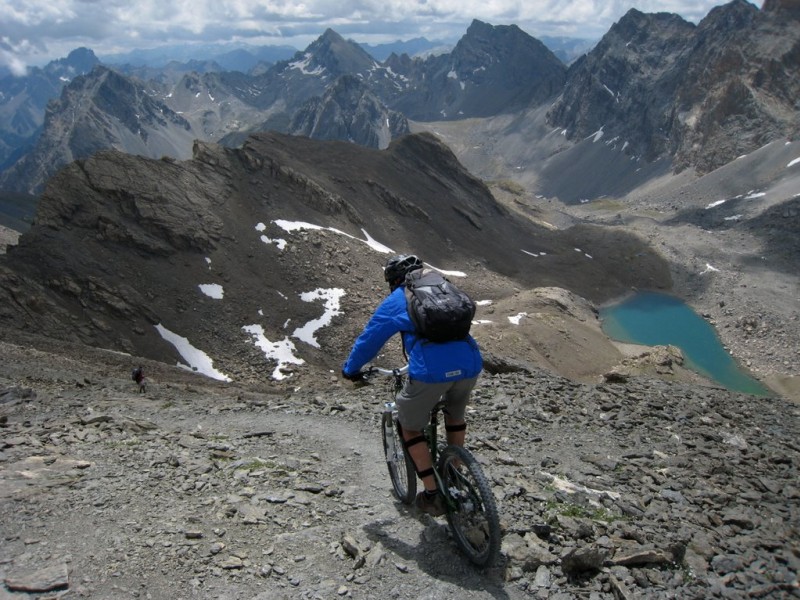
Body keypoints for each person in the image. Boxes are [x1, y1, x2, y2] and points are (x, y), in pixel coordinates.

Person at [342, 254, 483, 516]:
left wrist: (350, 370)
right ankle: (455, 469)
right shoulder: (443, 285)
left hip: (430, 371)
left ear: (393, 280)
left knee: (409, 427)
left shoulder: (399, 298)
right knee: (455, 414)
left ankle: (432, 494)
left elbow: (370, 339)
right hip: (470, 363)